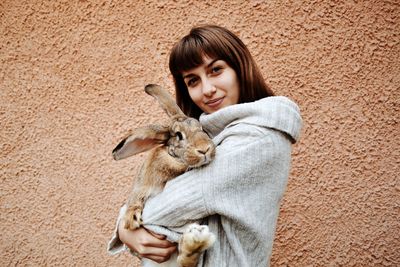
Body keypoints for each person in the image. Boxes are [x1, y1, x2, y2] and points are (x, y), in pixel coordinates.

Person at [108, 25, 302, 266]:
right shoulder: (206, 135)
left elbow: (170, 208)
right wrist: (128, 224)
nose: (208, 90)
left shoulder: (258, 138)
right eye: (193, 81)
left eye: (216, 70)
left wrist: (125, 224)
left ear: (239, 67)